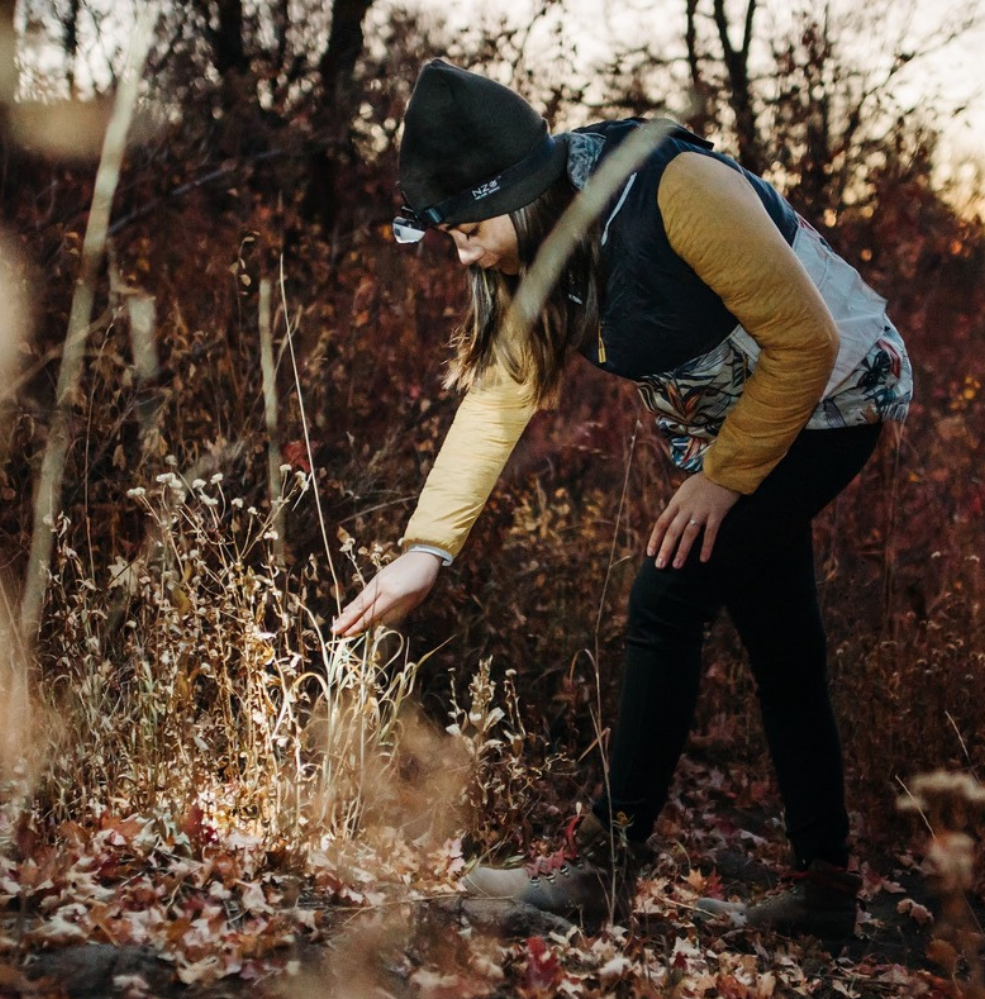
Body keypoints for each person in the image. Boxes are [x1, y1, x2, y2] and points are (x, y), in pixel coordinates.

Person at [332, 59, 912, 940]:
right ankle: (824, 891)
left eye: (465, 226)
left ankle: (607, 863)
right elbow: (498, 398)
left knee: (668, 593)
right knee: (781, 640)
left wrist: (720, 479)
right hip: (744, 424)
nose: (458, 247)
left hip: (831, 398)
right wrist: (428, 548)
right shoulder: (531, 251)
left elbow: (805, 340)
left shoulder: (676, 191)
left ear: (519, 195)